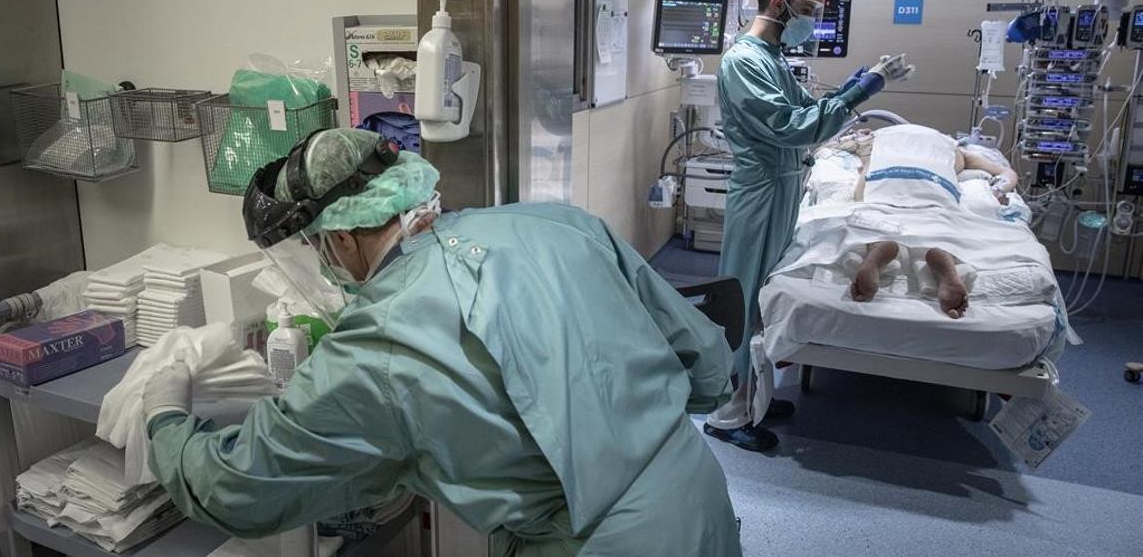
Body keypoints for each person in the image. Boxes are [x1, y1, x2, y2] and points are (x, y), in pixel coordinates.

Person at [142, 128, 742, 557]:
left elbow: (237, 490)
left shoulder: (377, 344)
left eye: (314, 247)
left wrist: (166, 414)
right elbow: (708, 366)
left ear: (344, 237)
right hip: (700, 498)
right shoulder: (558, 223)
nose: (321, 264)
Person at [711, 0, 914, 452]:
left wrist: (854, 86)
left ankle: (754, 394)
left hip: (784, 185)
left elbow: (810, 109)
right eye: (807, 13)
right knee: (742, 300)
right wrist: (863, 92)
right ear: (779, 6)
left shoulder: (774, 57)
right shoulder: (743, 62)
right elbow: (792, 126)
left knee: (766, 295)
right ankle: (725, 410)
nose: (812, 24)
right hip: (760, 190)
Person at [834, 124, 1020, 319]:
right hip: (935, 178)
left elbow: (825, 149)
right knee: (940, 215)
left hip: (882, 175)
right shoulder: (952, 147)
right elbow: (1007, 173)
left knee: (873, 212)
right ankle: (943, 253)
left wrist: (855, 137)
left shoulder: (874, 139)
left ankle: (878, 246)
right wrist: (998, 191)